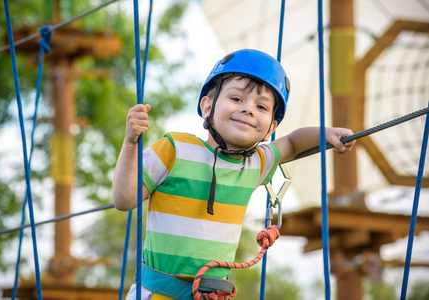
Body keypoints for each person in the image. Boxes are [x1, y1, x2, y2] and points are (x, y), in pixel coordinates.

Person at [112, 49, 355, 300]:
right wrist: (131, 142)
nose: (249, 109)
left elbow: (293, 143)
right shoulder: (174, 148)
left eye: (261, 106)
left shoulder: (253, 164)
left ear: (271, 127)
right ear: (207, 106)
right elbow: (124, 199)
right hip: (156, 294)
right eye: (237, 99)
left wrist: (326, 133)